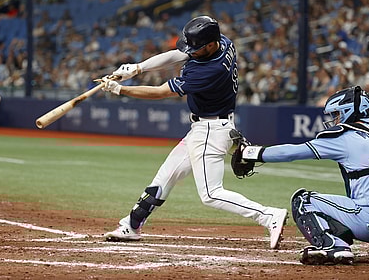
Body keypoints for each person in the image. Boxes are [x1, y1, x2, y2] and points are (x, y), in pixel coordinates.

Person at [97, 16, 288, 249]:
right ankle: (132, 225)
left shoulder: (209, 71)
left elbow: (160, 92)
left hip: (211, 130)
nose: (191, 52)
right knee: (165, 176)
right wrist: (138, 68)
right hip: (203, 129)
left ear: (209, 45)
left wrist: (120, 89)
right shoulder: (223, 42)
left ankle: (269, 216)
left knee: (211, 194)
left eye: (196, 48)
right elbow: (177, 54)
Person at [238, 85, 369, 265]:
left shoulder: (345, 138)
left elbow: (292, 152)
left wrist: (252, 153)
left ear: (349, 111)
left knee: (303, 200)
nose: (335, 120)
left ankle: (334, 246)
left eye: (337, 114)